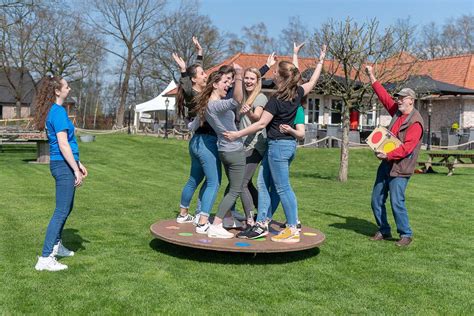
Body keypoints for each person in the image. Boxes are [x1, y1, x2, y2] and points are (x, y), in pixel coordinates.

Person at [224, 45, 327, 243]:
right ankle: (261, 223)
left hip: (278, 147)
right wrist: (321, 60)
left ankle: (292, 227)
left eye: (275, 73)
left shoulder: (276, 100)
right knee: (263, 184)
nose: (273, 75)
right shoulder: (297, 92)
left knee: (282, 188)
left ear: (280, 78)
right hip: (285, 146)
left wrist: (237, 133)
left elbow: (261, 123)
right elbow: (312, 80)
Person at [33, 76, 88, 271]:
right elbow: (63, 144)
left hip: (64, 163)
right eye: (66, 86)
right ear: (57, 91)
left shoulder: (56, 111)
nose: (69, 88)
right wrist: (74, 169)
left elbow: (66, 145)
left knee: (67, 207)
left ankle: (57, 246)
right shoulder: (57, 113)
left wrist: (78, 163)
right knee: (61, 211)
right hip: (63, 166)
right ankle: (46, 257)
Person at [365, 65, 424, 247]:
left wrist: (387, 155)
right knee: (376, 199)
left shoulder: (416, 123)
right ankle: (384, 230)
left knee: (397, 202)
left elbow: (406, 149)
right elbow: (384, 97)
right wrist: (372, 76)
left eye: (401, 98)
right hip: (386, 165)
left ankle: (406, 234)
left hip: (401, 168)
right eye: (398, 98)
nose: (398, 101)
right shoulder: (397, 113)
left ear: (411, 101)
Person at [173, 37, 221, 234]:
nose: (205, 74)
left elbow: (196, 72)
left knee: (194, 179)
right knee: (214, 182)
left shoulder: (200, 89)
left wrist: (199, 53)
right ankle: (202, 222)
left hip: (196, 143)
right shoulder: (195, 94)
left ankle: (184, 214)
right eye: (202, 73)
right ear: (193, 79)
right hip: (206, 142)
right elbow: (187, 82)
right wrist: (183, 70)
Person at [193, 66, 245, 238]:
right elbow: (237, 99)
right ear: (214, 84)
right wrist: (238, 76)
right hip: (233, 150)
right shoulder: (215, 105)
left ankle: (228, 219)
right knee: (235, 189)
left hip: (224, 149)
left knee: (233, 187)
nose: (228, 86)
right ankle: (216, 224)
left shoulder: (210, 104)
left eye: (229, 83)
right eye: (225, 82)